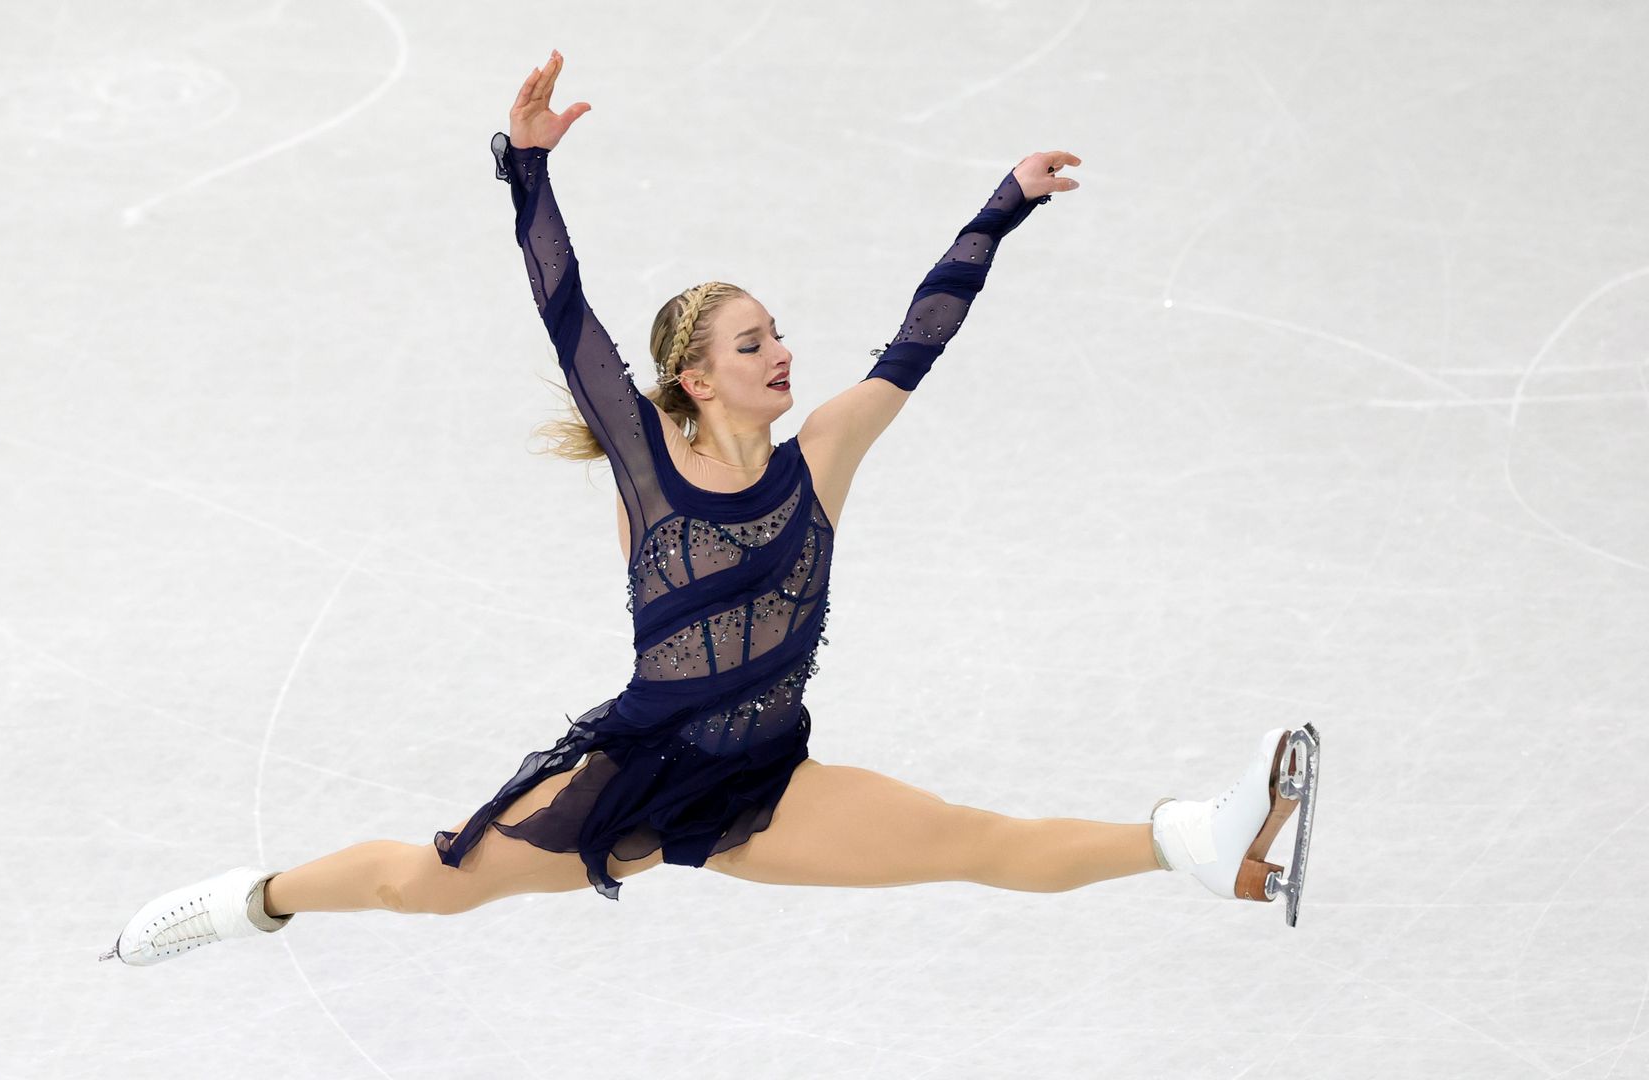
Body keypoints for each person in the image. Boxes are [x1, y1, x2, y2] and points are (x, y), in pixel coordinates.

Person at [102, 49, 1321, 966]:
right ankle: (247, 901)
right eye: (753, 343)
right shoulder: (649, 471)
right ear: (696, 378)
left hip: (762, 786)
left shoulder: (823, 454)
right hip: (636, 773)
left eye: (779, 332)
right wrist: (528, 167)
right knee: (424, 884)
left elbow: (921, 333)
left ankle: (1199, 844)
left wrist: (1004, 202)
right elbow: (567, 316)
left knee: (975, 841)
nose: (783, 352)